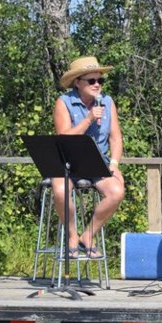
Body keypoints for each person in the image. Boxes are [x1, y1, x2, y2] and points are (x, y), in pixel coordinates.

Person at [53, 56, 126, 258]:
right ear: (78, 82)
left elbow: (116, 138)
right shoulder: (64, 102)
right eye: (91, 81)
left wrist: (114, 164)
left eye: (100, 81)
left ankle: (88, 235)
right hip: (69, 161)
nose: (97, 85)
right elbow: (63, 138)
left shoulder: (108, 102)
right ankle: (72, 236)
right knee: (60, 191)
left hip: (97, 162)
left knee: (117, 191)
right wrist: (88, 119)